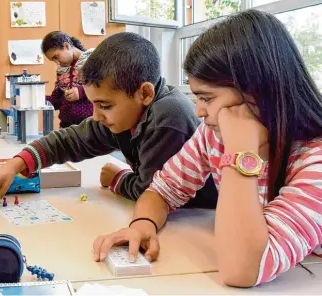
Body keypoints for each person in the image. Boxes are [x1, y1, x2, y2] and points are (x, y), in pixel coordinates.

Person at [92, 10, 322, 287]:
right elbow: (162, 191)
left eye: (207, 98)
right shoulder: (213, 135)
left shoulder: (314, 158)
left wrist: (240, 152)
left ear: (258, 92)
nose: (198, 111)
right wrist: (142, 226)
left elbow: (241, 270)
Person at [0, 32, 217, 207]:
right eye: (93, 104)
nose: (96, 115)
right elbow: (70, 140)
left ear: (144, 93)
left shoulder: (168, 117)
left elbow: (152, 192)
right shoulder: (126, 113)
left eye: (105, 105)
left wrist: (118, 178)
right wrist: (17, 164)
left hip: (198, 219)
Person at [42, 31, 94, 128]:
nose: (57, 62)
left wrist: (81, 91)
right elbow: (56, 100)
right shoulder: (62, 70)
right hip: (67, 127)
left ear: (66, 46)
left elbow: (105, 87)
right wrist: (37, 99)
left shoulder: (92, 60)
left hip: (90, 127)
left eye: (56, 57)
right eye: (53, 60)